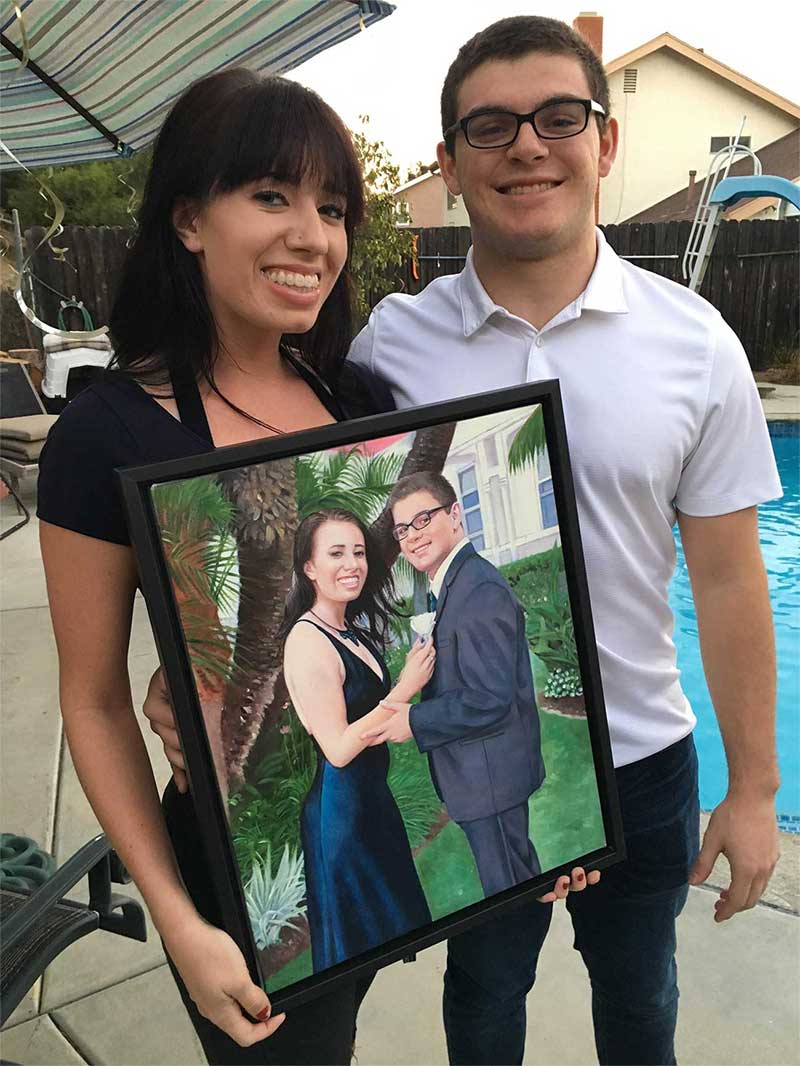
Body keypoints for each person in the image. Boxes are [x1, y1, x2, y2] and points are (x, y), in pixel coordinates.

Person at [346, 15, 782, 1065]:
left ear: (605, 142)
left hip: (641, 759)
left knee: (639, 997)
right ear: (450, 164)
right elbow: (336, 543)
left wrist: (755, 789)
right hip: (480, 755)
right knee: (484, 994)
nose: (527, 147)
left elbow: (729, 581)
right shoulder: (389, 345)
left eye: (558, 118)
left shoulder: (693, 343)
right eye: (489, 127)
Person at [37, 68, 394, 1066]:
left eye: (333, 208)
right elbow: (94, 702)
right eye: (272, 196)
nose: (312, 236)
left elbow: (392, 608)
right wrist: (180, 920)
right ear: (189, 219)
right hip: (232, 873)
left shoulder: (360, 399)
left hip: (364, 814)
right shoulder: (107, 433)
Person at [363, 472, 545, 897]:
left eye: (423, 519)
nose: (412, 536)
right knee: (517, 888)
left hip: (491, 781)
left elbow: (490, 698)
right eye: (403, 529)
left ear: (456, 514)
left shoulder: (478, 589)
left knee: (513, 897)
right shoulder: (448, 584)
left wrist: (414, 720)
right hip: (479, 779)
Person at [280, 507, 433, 971]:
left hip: (372, 805)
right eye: (336, 554)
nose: (352, 564)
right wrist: (405, 688)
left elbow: (369, 718)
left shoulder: (350, 631)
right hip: (342, 816)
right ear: (309, 567)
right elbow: (339, 748)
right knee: (352, 966)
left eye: (359, 552)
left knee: (388, 939)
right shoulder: (307, 641)